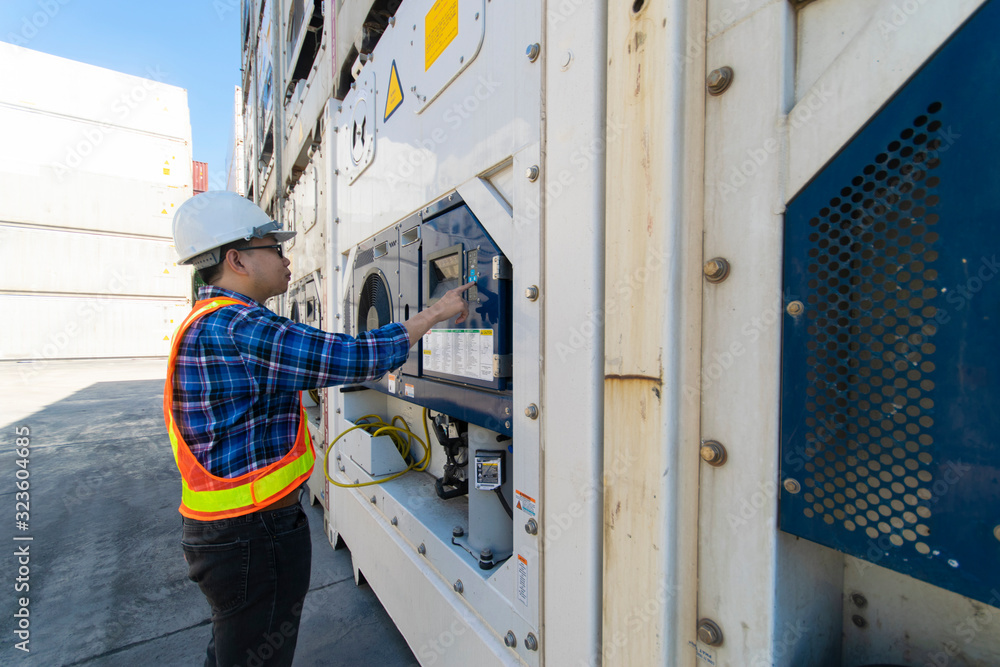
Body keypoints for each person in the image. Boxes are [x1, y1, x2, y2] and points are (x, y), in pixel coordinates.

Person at [164, 191, 472, 667]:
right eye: (275, 248)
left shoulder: (208, 322)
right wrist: (432, 315)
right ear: (236, 259)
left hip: (230, 532)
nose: (288, 260)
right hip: (250, 533)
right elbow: (349, 357)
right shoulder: (236, 325)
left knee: (237, 648)